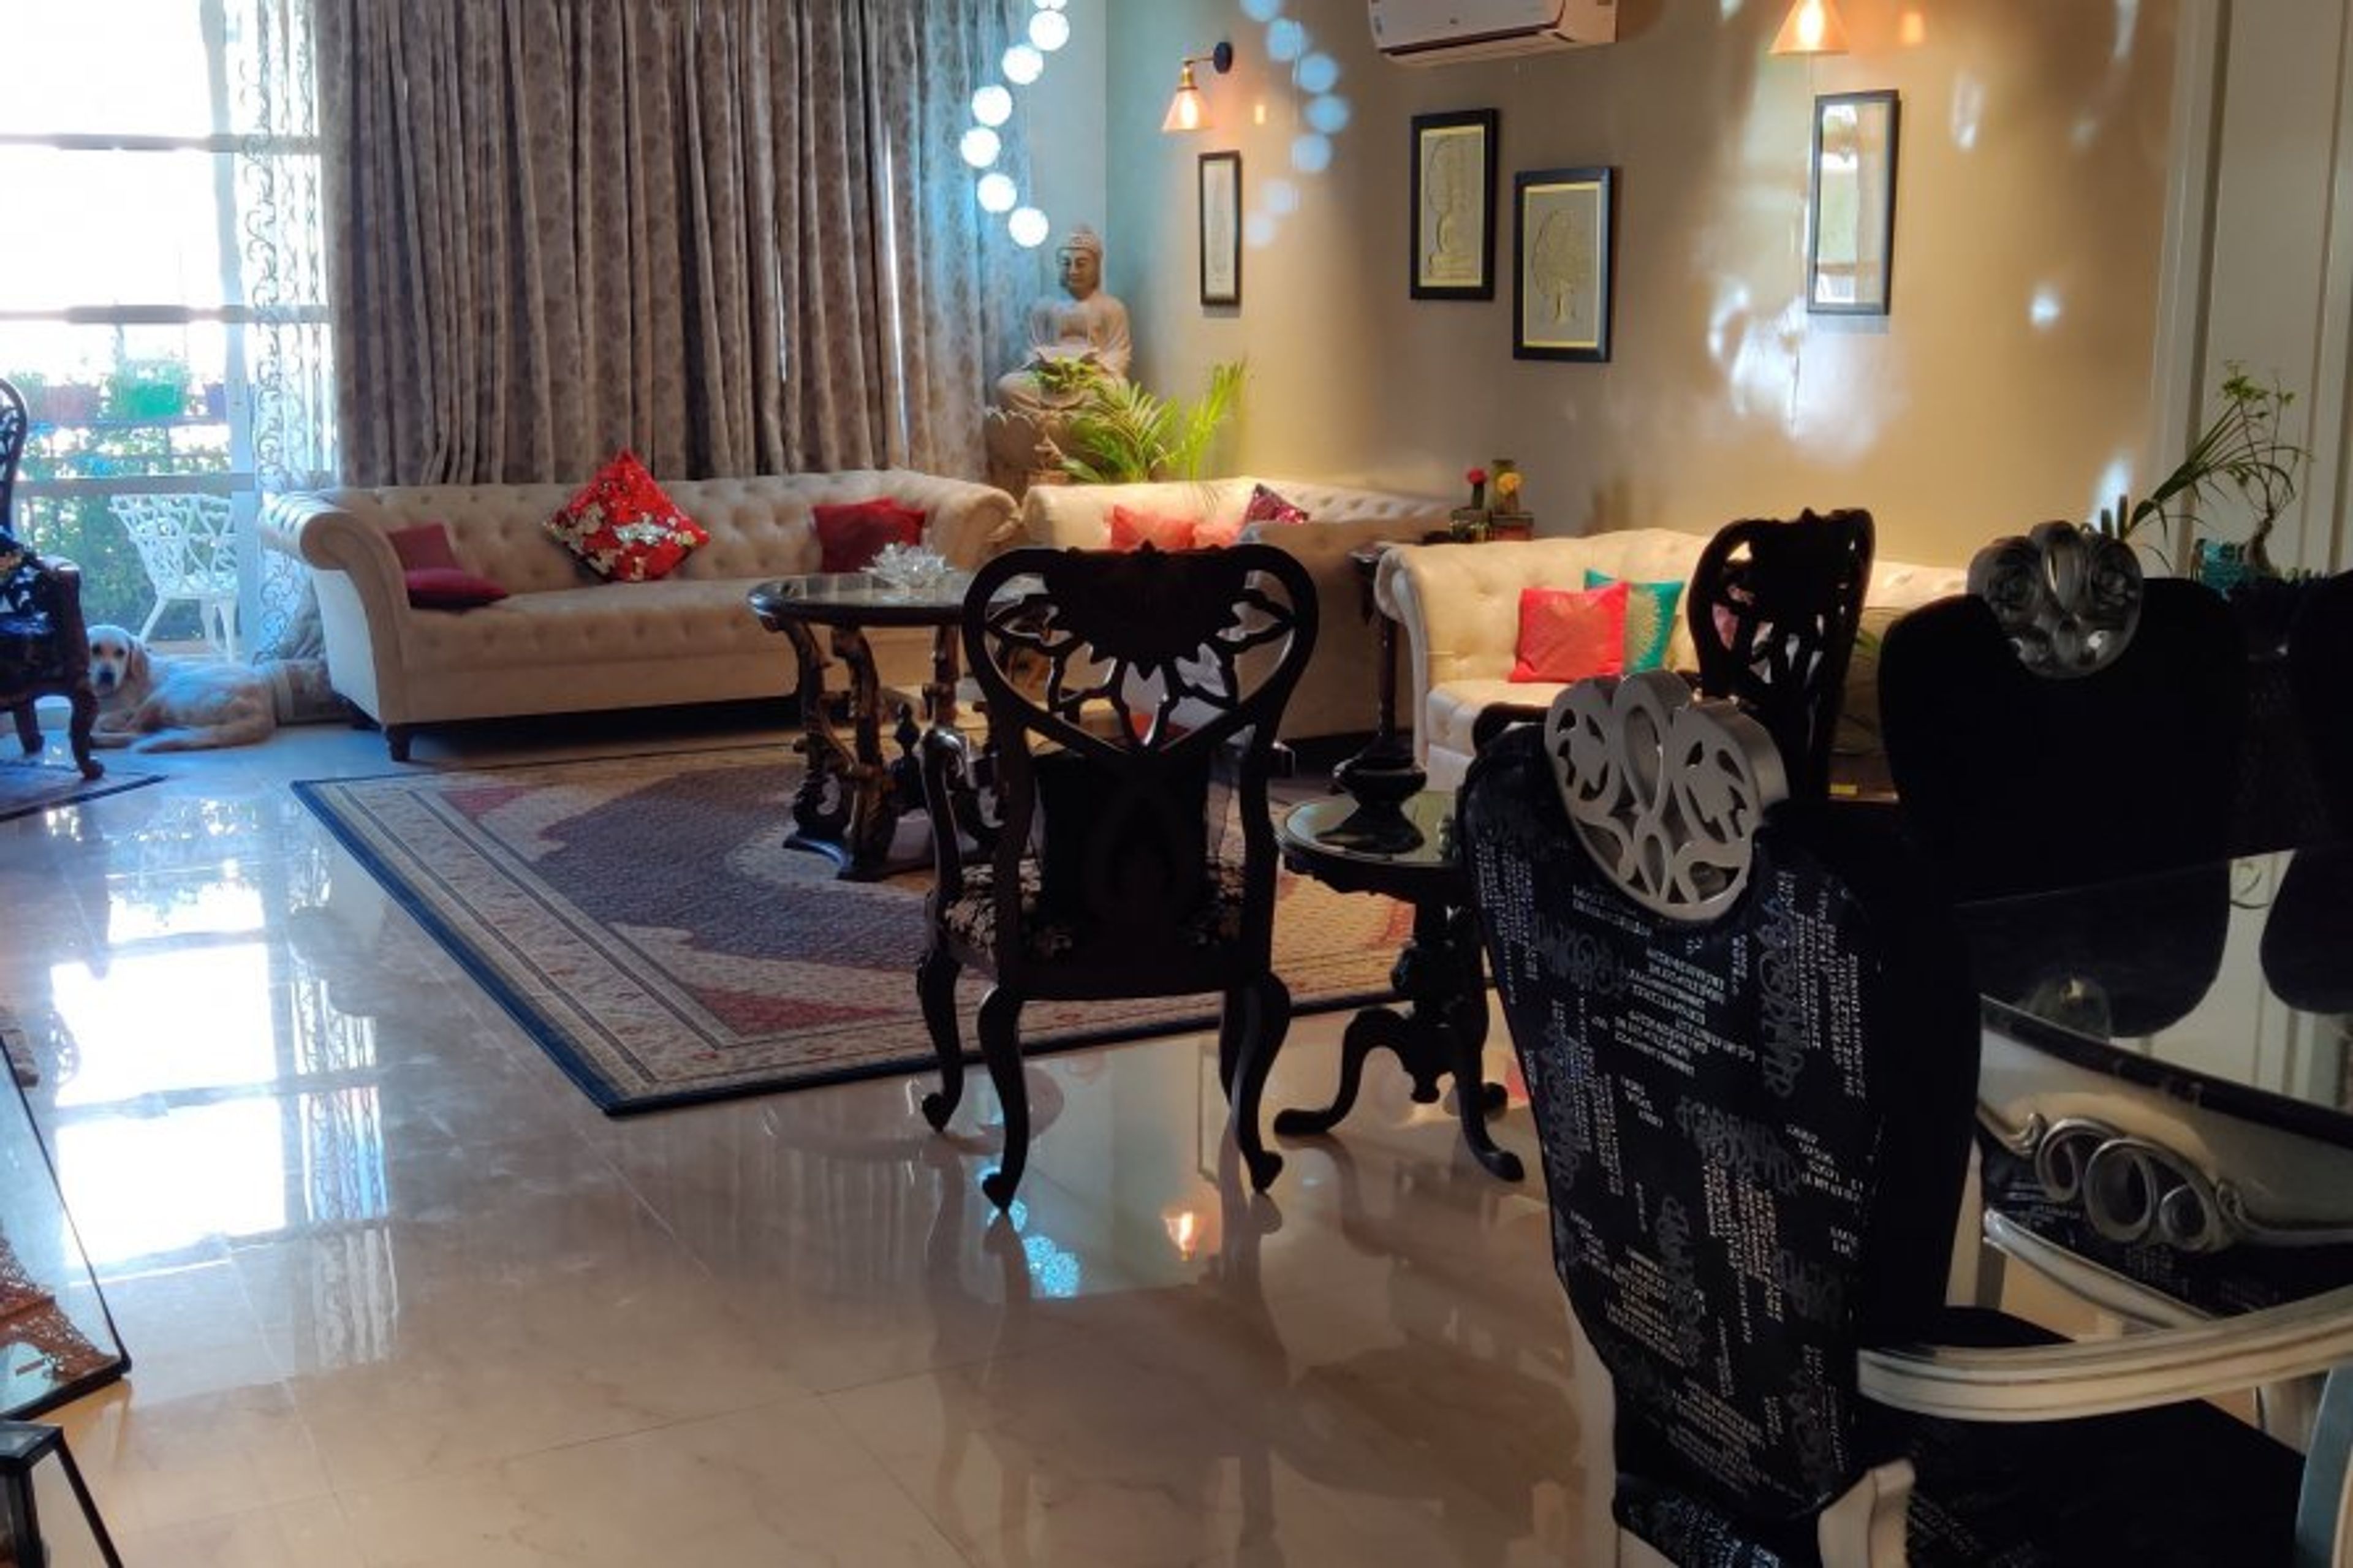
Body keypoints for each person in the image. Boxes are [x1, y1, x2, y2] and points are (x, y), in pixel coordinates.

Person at [995, 225, 1132, 419]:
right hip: (1049, 380)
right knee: (1007, 386)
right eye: (1066, 263)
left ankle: (1063, 422)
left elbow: (1120, 353)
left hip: (1091, 380)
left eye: (1081, 264)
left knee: (1118, 389)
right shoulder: (1044, 306)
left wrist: (1089, 368)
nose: (1073, 271)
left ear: (1096, 266)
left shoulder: (1112, 307)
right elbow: (1032, 350)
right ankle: (1049, 421)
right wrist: (1048, 368)